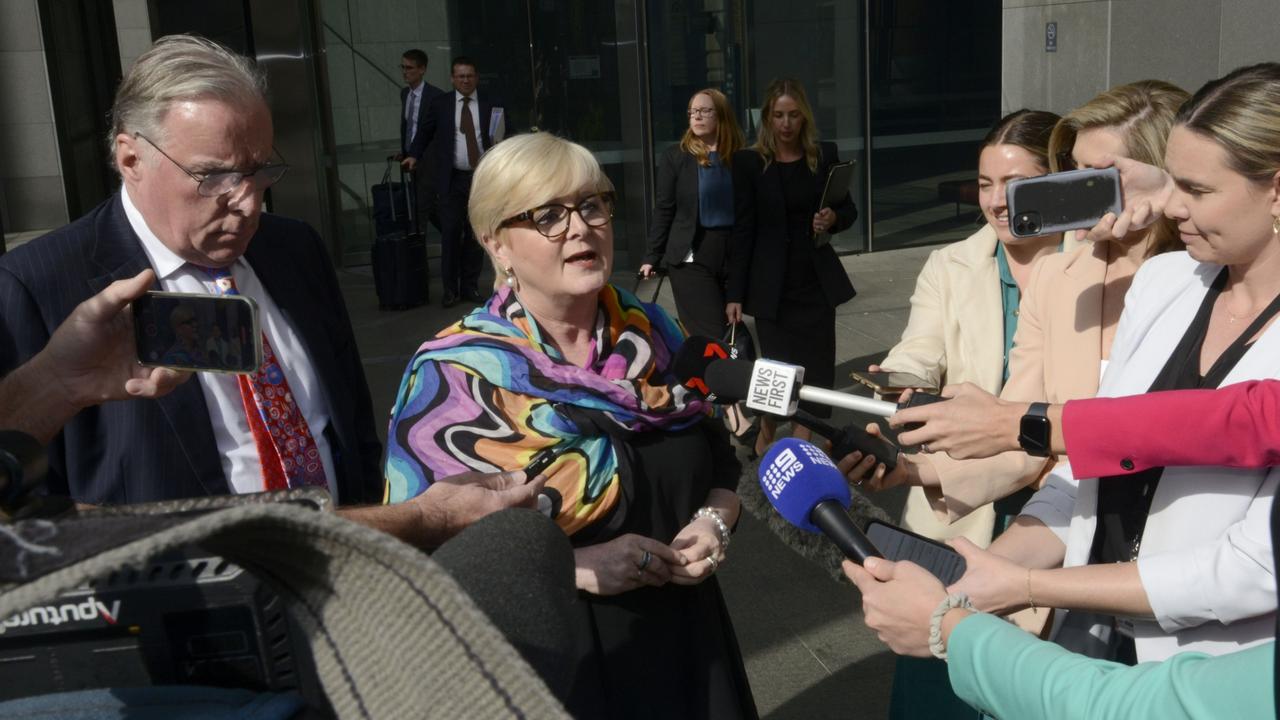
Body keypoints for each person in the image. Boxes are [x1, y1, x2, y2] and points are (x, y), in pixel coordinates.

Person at [384, 132, 757, 719]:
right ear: (496, 243)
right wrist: (576, 568)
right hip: (554, 665)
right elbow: (431, 550)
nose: (581, 227)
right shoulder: (452, 376)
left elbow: (722, 458)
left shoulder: (656, 332)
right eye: (549, 215)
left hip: (687, 643)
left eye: (591, 205)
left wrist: (715, 522)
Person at [945, 62, 1280, 666]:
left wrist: (1026, 587)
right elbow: (1090, 468)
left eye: (1198, 190)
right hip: (1089, 637)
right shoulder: (1166, 281)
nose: (1176, 207)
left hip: (1212, 670)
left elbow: (1251, 566)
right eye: (1172, 182)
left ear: (1277, 189)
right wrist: (986, 568)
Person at [0, 35, 383, 507]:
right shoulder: (36, 285)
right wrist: (54, 385)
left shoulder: (295, 248)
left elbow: (352, 425)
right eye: (214, 177)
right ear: (131, 159)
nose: (247, 203)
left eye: (260, 172)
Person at [862, 82, 1188, 538]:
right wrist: (911, 469)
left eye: (1097, 177)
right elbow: (1020, 425)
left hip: (1181, 533)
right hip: (1059, 528)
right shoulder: (1059, 281)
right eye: (1075, 171)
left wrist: (1176, 194)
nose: (998, 201)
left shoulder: (1214, 275)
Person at [871, 108, 1073, 548]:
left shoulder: (1098, 269)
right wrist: (900, 380)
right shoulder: (949, 265)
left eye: (1015, 184)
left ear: (1061, 182)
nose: (997, 201)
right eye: (985, 185)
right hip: (957, 508)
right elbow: (920, 347)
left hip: (1061, 502)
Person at [726, 78, 857, 459]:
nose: (786, 123)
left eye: (793, 115)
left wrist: (833, 218)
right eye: (779, 115)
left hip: (815, 283)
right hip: (772, 287)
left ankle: (801, 448)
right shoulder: (749, 163)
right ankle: (767, 436)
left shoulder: (824, 156)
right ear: (768, 117)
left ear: (804, 117)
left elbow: (849, 210)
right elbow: (743, 229)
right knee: (776, 372)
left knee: (816, 373)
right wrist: (734, 293)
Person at [639, 87, 751, 438]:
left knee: (733, 329)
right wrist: (651, 256)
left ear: (721, 115)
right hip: (690, 259)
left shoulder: (741, 158)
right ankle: (735, 413)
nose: (697, 116)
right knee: (713, 333)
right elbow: (665, 209)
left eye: (704, 110)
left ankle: (719, 397)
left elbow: (748, 218)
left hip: (729, 254)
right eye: (692, 111)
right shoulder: (677, 156)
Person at [417, 56, 511, 308]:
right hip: (452, 180)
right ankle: (450, 290)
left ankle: (470, 286)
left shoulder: (492, 104)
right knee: (449, 234)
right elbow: (424, 133)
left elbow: (506, 134)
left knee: (475, 236)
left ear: (476, 78)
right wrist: (412, 156)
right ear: (452, 78)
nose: (465, 80)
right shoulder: (441, 105)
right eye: (460, 76)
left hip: (481, 181)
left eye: (469, 75)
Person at [397, 48, 444, 232]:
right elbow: (409, 126)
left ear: (422, 69)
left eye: (409, 68)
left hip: (429, 160)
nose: (405, 72)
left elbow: (437, 131)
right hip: (412, 159)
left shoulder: (436, 96)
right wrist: (406, 151)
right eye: (402, 67)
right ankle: (457, 236)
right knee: (427, 206)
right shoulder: (405, 94)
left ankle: (418, 252)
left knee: (421, 209)